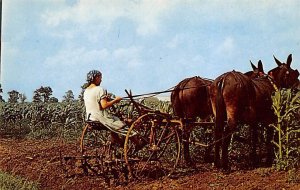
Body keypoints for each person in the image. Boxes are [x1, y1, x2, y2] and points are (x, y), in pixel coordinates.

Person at [83, 70, 135, 137]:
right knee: (124, 126)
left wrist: (107, 99)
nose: (101, 80)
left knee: (115, 119)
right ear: (96, 78)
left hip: (90, 118)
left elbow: (97, 104)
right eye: (100, 78)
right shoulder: (99, 89)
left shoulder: (86, 91)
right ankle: (137, 142)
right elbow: (104, 105)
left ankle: (117, 141)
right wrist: (115, 100)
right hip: (101, 119)